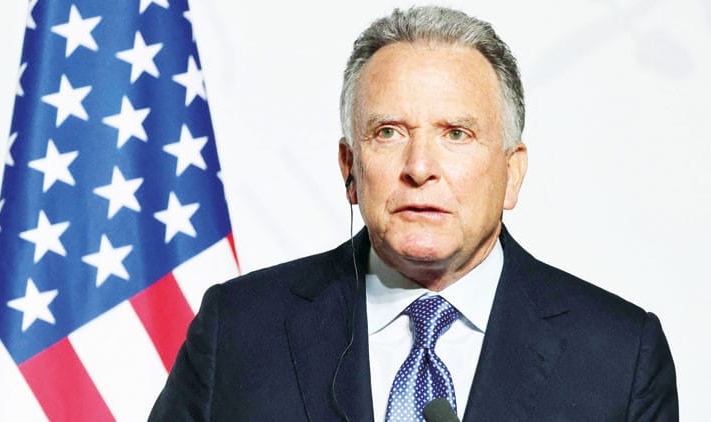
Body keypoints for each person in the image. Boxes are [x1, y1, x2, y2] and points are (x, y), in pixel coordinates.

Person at [150, 6, 678, 421]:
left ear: (512, 172)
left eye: (456, 134)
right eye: (389, 132)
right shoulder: (238, 328)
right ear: (349, 167)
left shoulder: (620, 355)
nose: (420, 167)